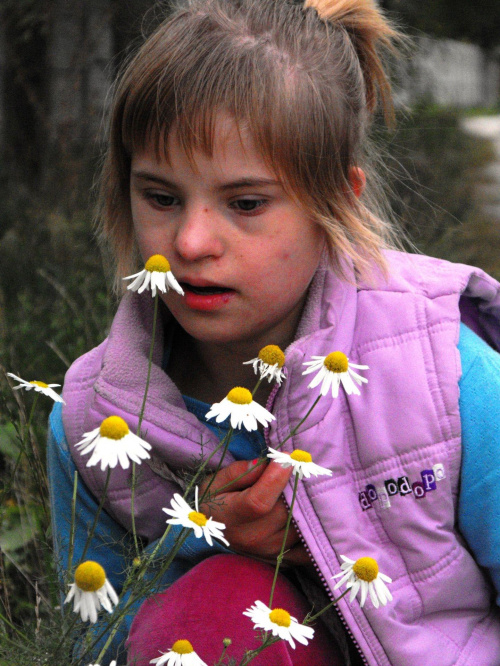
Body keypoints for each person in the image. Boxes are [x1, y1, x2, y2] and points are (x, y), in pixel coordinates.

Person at [47, 0, 500, 664]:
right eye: (162, 197)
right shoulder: (96, 421)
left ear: (337, 201)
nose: (192, 241)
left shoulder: (448, 380)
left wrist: (316, 548)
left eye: (246, 203)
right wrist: (205, 541)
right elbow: (105, 642)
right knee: (216, 609)